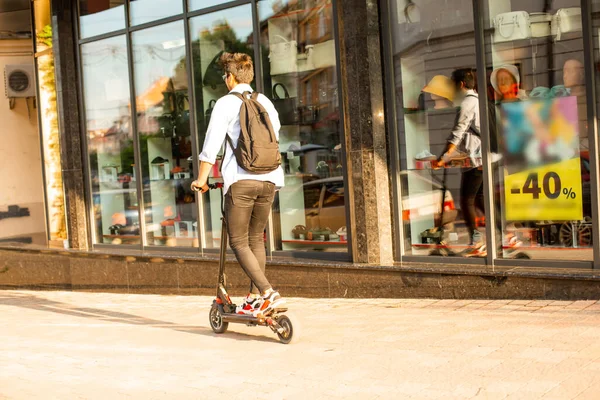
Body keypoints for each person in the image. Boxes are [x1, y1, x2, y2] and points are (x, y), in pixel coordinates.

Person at [191, 52, 285, 316]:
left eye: (225, 75)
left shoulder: (225, 103)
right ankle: (256, 297)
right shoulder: (264, 101)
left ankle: (268, 292)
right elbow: (275, 134)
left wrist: (201, 180)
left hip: (241, 181)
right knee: (256, 238)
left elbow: (211, 146)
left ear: (230, 77)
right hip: (269, 178)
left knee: (239, 242)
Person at [434, 68, 486, 256]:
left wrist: (442, 158)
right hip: (480, 157)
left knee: (467, 201)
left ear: (461, 84)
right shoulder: (479, 101)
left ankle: (476, 242)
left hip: (476, 159)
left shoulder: (468, 103)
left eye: (452, 84)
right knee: (480, 199)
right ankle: (505, 234)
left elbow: (458, 132)